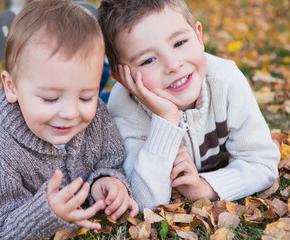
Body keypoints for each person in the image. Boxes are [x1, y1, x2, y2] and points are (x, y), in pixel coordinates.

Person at [0, 0, 138, 239]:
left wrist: (107, 180)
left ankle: (28, 66)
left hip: (34, 117)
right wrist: (45, 212)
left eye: (86, 96)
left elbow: (110, 160)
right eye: (49, 98)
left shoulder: (96, 115)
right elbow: (2, 227)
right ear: (10, 87)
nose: (70, 113)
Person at [97, 0, 280, 211]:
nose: (174, 65)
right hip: (110, 97)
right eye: (148, 60)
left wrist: (205, 188)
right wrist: (166, 119)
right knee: (90, 100)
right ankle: (98, 68)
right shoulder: (125, 108)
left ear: (198, 36)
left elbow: (262, 163)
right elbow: (145, 199)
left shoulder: (226, 80)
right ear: (121, 78)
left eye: (179, 43)